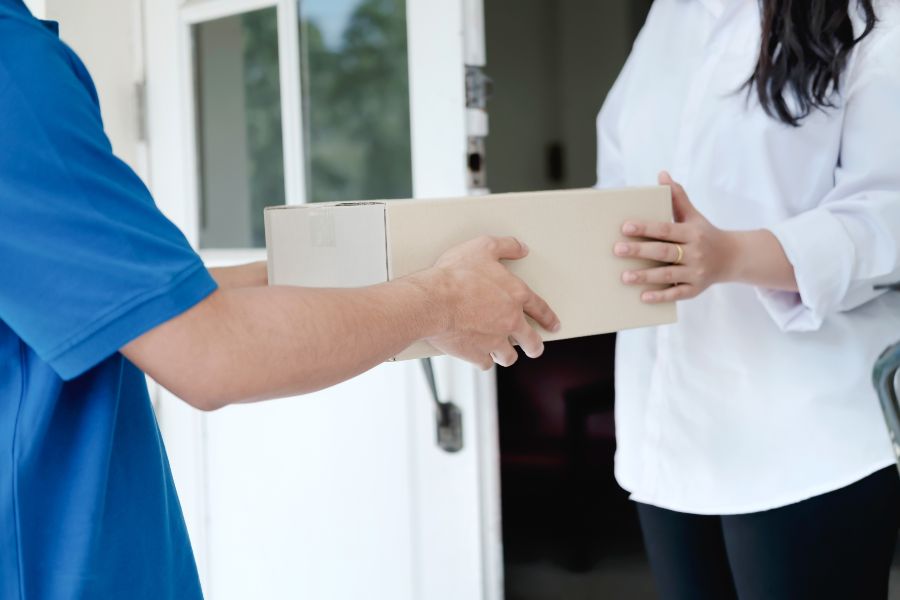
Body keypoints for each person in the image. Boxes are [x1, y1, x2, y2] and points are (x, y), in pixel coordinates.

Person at [0, 1, 561, 598]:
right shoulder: (13, 72)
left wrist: (395, 274)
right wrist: (440, 301)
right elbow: (212, 352)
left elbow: (145, 308)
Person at [601, 0, 900, 598]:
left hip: (807, 443)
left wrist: (730, 255)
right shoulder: (672, 17)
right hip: (666, 438)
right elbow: (618, 184)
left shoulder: (875, 19)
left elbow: (886, 220)